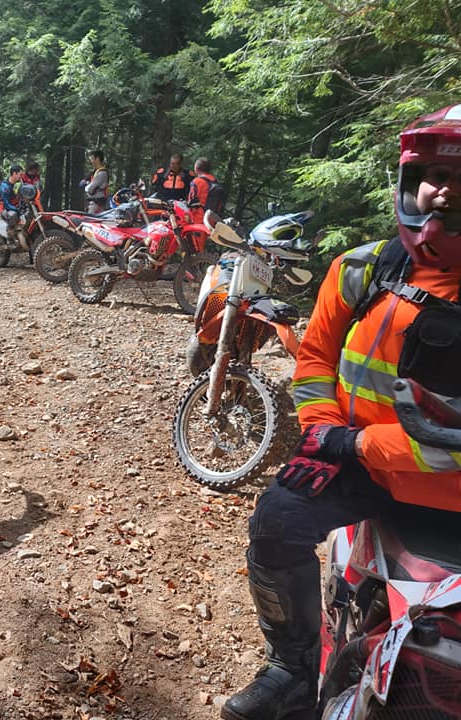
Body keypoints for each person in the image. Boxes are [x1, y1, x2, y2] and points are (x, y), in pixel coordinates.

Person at [221, 104, 461, 720]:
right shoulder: (362, 267)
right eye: (432, 172)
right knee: (274, 526)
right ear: (409, 182)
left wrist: (351, 445)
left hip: (442, 486)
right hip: (353, 458)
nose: (444, 188)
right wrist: (322, 428)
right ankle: (292, 667)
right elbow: (316, 359)